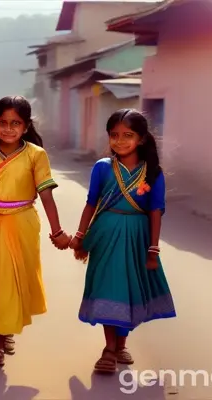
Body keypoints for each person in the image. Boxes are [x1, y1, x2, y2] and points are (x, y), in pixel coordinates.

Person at [0, 95, 70, 367]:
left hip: (23, 222)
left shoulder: (36, 154)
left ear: (25, 126)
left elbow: (46, 194)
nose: (8, 128)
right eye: (2, 122)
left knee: (14, 280)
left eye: (15, 123)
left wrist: (57, 232)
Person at [69, 108, 176, 374]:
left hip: (138, 237)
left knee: (129, 290)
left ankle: (121, 344)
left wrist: (153, 249)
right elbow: (90, 203)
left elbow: (155, 211)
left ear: (141, 139)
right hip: (105, 235)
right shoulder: (102, 168)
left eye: (127, 135)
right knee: (109, 287)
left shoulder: (153, 172)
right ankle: (108, 348)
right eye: (114, 135)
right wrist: (80, 237)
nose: (120, 141)